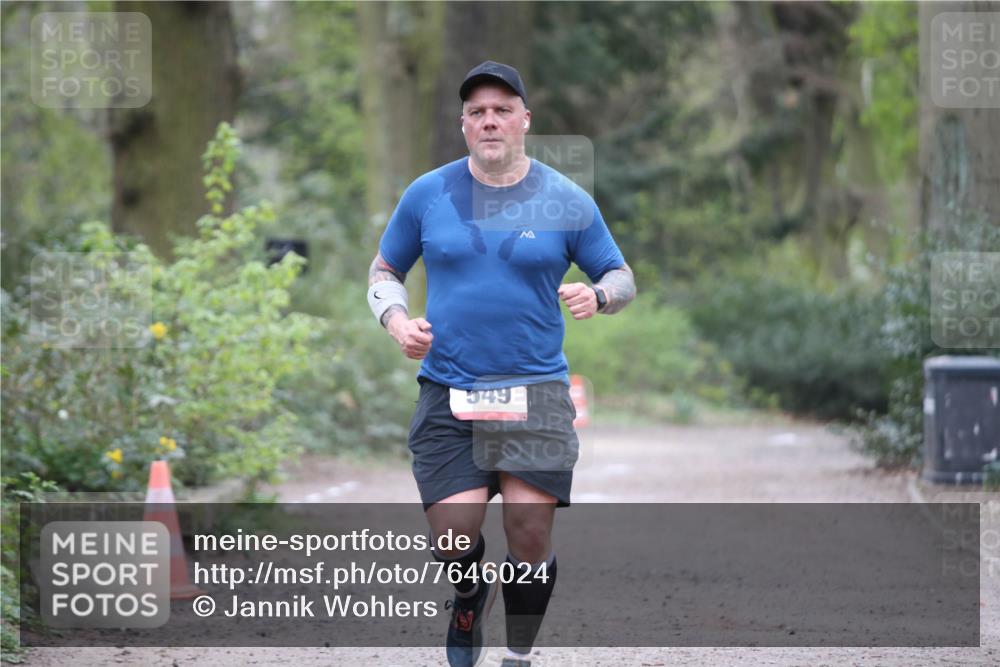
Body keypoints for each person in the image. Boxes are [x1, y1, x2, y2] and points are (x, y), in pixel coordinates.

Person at [367, 60, 635, 667]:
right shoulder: (427, 194)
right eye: (477, 112)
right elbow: (384, 271)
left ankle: (517, 654)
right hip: (449, 389)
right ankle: (468, 594)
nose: (490, 121)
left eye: (502, 110)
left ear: (524, 121)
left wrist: (599, 295)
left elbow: (621, 276)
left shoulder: (566, 200)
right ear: (463, 124)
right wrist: (396, 321)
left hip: (535, 390)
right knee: (453, 537)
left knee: (529, 534)